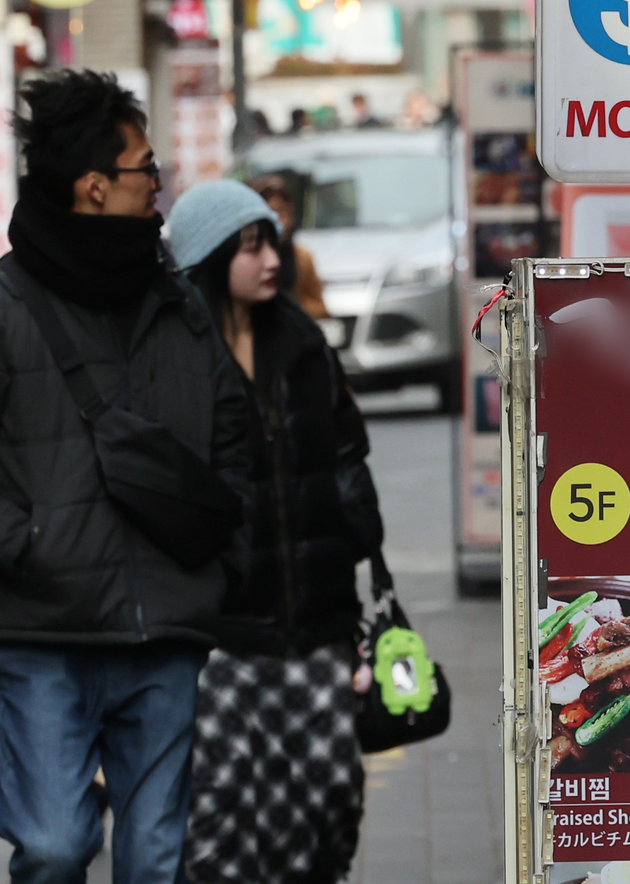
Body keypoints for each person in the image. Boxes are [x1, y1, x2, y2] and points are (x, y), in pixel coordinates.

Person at [0, 70, 252, 883]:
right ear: (95, 184)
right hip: (45, 632)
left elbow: (235, 438)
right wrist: (33, 544)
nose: (160, 187)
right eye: (148, 169)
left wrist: (219, 561)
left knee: (157, 857)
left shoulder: (176, 305)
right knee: (53, 845)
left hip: (167, 626)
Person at [168, 180, 382, 884]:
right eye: (250, 245)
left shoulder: (303, 344)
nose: (270, 259)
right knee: (223, 813)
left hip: (317, 623)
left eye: (271, 243)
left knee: (328, 797)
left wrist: (363, 552)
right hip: (223, 635)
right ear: (208, 255)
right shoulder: (177, 361)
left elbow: (348, 456)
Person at [247, 174, 328, 319]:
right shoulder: (246, 257)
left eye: (283, 212)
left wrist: (292, 305)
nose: (278, 221)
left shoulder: (301, 257)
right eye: (271, 212)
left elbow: (321, 308)